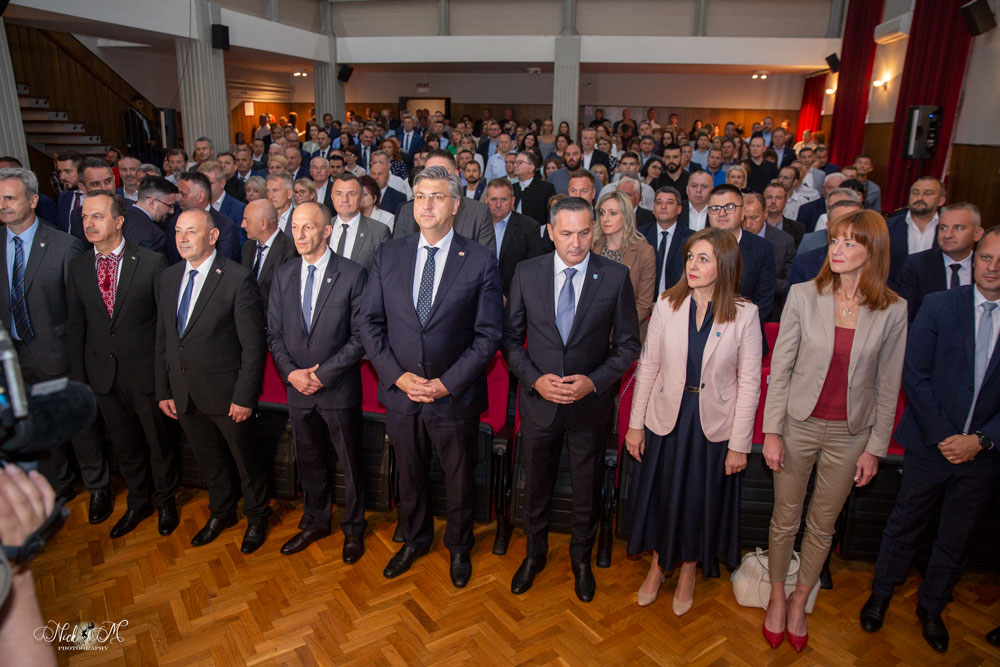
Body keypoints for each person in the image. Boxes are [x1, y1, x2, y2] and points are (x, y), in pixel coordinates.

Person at [761, 209, 907, 651]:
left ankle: (800, 599)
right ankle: (776, 596)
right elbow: (781, 370)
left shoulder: (893, 309)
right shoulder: (804, 295)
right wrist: (772, 431)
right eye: (835, 241)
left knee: (823, 525)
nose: (837, 250)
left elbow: (888, 385)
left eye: (849, 242)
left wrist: (875, 448)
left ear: (873, 250)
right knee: (785, 518)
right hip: (798, 425)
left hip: (851, 434)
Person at [359, 166, 503, 588]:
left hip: (453, 395)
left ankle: (459, 546)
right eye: (420, 196)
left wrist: (446, 383)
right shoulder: (389, 254)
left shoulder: (479, 259)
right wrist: (397, 376)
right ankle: (415, 539)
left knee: (458, 477)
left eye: (437, 197)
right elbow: (368, 322)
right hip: (402, 393)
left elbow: (488, 335)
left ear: (455, 205)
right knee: (409, 473)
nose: (426, 204)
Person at [859, 228, 1000, 654]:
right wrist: (944, 436)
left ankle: (933, 605)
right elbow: (914, 373)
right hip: (929, 443)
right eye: (987, 258)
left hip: (983, 455)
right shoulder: (940, 305)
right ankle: (881, 593)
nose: (994, 267)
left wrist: (980, 440)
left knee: (956, 535)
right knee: (905, 523)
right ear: (974, 259)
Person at [501, 197, 640, 602]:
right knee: (536, 486)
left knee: (586, 489)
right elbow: (510, 341)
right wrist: (535, 380)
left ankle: (581, 560)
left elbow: (628, 347)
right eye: (566, 233)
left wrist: (592, 383)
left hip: (588, 407)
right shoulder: (527, 272)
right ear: (550, 231)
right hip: (539, 404)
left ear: (594, 230)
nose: (576, 243)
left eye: (583, 233)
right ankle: (534, 554)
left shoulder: (615, 276)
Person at [625, 227, 760, 613]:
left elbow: (749, 383)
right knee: (663, 496)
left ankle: (687, 570)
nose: (693, 265)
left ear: (725, 265)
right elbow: (648, 367)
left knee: (698, 499)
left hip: (712, 425)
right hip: (667, 418)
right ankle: (657, 567)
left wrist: (739, 444)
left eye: (704, 259)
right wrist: (635, 424)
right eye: (690, 257)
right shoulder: (667, 304)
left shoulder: (745, 314)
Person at [0, 168, 113, 521]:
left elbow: (80, 313)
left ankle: (98, 486)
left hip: (58, 354)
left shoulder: (64, 245)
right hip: (13, 357)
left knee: (78, 424)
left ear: (33, 200)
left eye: (10, 198)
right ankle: (60, 482)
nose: (3, 205)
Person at [155, 208, 271, 553]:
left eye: (191, 232)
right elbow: (164, 338)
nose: (183, 239)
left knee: (246, 462)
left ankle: (257, 516)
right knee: (209, 461)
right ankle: (222, 512)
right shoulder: (169, 276)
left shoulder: (237, 278)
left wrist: (245, 397)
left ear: (213, 236)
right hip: (184, 392)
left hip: (227, 394)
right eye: (178, 231)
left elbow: (253, 346)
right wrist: (164, 389)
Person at [67, 190, 179, 538]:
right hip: (102, 376)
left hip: (145, 374)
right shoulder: (78, 266)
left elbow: (165, 328)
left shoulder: (151, 262)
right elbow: (76, 327)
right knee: (125, 446)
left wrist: (164, 381)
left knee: (159, 445)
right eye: (85, 217)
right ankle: (138, 502)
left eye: (97, 216)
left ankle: (166, 503)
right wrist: (80, 381)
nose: (89, 223)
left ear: (118, 221)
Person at [268, 202, 369, 562]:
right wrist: (292, 373)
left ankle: (354, 529)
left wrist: (322, 375)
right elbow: (274, 333)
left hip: (338, 389)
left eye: (308, 227)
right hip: (297, 389)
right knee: (309, 459)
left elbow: (361, 337)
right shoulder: (283, 274)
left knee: (350, 463)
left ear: (327, 231)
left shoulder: (353, 274)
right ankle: (316, 521)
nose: (299, 234)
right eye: (295, 227)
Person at [706, 185, 776, 344]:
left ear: (743, 212)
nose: (722, 213)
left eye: (729, 207)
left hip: (745, 337)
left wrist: (734, 333)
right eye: (715, 208)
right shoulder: (694, 245)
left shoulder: (762, 249)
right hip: (700, 333)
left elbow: (764, 302)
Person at [391, 150, 496, 251]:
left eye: (443, 173)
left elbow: (486, 260)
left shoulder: (479, 213)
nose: (435, 180)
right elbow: (396, 255)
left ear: (456, 175)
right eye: (430, 173)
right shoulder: (407, 211)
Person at [895, 203, 981, 322]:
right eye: (943, 228)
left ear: (977, 234)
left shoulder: (988, 268)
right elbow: (903, 318)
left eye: (958, 228)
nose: (948, 235)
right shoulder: (917, 265)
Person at [593, 191, 656, 340]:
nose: (605, 219)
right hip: (592, 332)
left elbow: (643, 305)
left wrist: (615, 330)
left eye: (613, 213)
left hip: (626, 335)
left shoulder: (644, 252)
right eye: (602, 213)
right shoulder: (592, 247)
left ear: (626, 216)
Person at [485, 179, 547, 297]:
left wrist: (511, 297)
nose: (498, 205)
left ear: (513, 201)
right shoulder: (476, 224)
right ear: (486, 200)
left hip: (514, 296)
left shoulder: (529, 227)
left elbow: (536, 267)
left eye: (504, 199)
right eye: (493, 199)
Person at [742, 193, 795, 319]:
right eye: (744, 219)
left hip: (771, 311)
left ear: (765, 214)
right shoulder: (733, 238)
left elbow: (790, 284)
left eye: (754, 218)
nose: (748, 224)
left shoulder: (784, 241)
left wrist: (763, 279)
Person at [240, 199, 297, 315]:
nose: (242, 225)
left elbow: (287, 296)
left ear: (263, 224)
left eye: (246, 220)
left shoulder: (290, 249)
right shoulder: (248, 247)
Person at [887, 176, 946, 285]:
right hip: (894, 291)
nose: (920, 197)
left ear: (941, 200)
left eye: (928, 193)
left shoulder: (947, 229)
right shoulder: (888, 227)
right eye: (915, 193)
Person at [639, 186, 694, 301]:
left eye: (669, 203)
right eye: (659, 203)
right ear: (653, 208)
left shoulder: (690, 238)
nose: (663, 207)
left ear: (679, 209)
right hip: (644, 301)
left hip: (677, 301)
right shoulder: (640, 235)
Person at [329, 173, 391, 272]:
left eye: (351, 194)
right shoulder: (322, 228)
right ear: (332, 197)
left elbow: (386, 272)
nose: (345, 199)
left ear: (361, 197)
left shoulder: (379, 232)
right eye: (339, 194)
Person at [125, 176, 174, 254]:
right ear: (152, 203)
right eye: (170, 205)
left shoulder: (119, 217)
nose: (172, 211)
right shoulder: (154, 236)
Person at [512, 151, 556, 227]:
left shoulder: (546, 188)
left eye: (520, 162)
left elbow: (552, 214)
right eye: (515, 162)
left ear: (531, 167)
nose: (515, 165)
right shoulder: (511, 188)